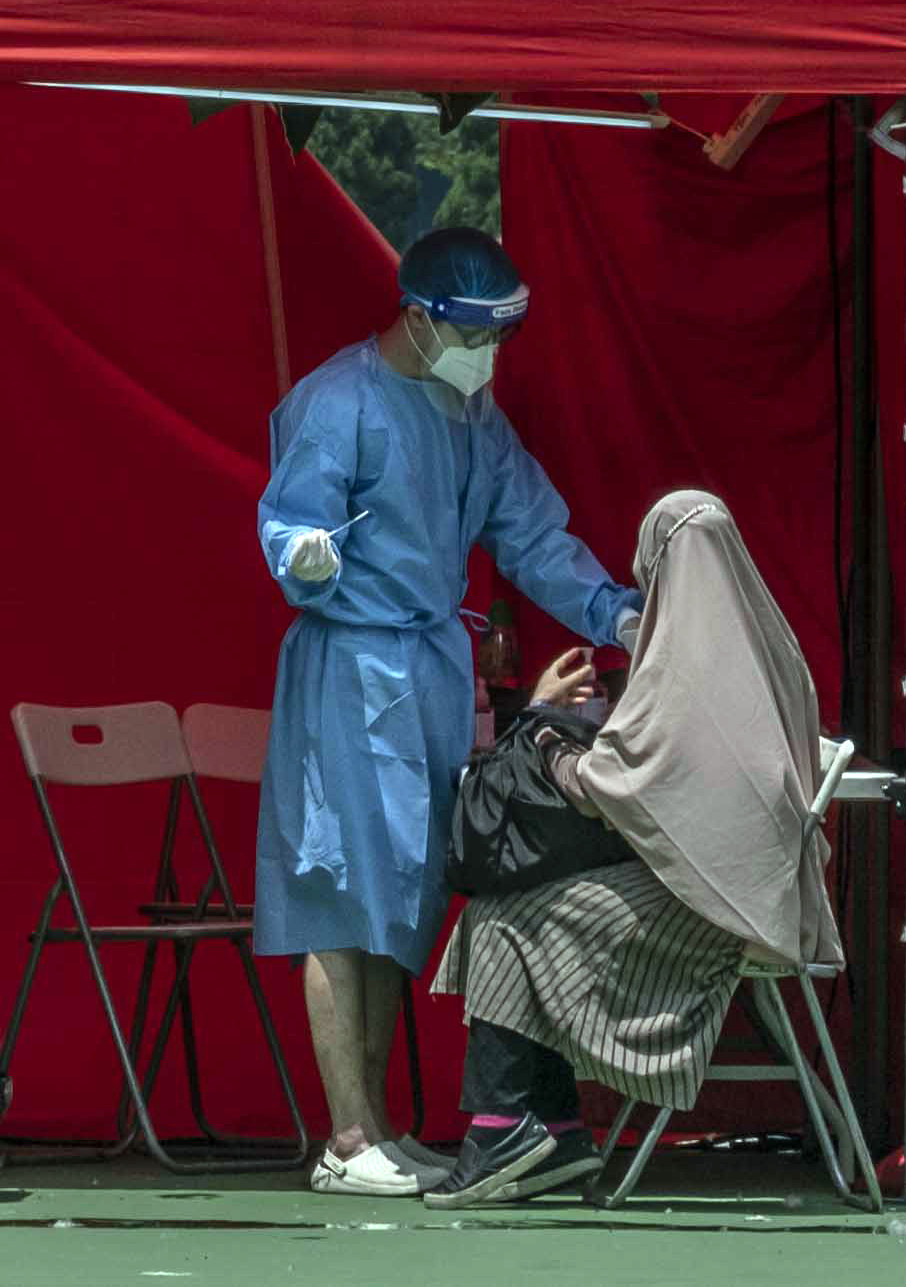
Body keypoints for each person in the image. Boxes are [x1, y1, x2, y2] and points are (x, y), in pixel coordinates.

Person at [254, 224, 637, 1197]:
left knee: (397, 907)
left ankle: (377, 1127)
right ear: (420, 319)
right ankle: (343, 1141)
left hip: (427, 666)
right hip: (349, 664)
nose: (491, 357)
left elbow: (531, 530)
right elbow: (291, 518)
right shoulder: (337, 401)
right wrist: (303, 551)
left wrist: (613, 610)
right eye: (478, 336)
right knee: (340, 898)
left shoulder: (469, 415)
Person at [429, 488, 838, 1207]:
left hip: (710, 910)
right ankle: (552, 1126)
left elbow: (608, 787)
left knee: (502, 913)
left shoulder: (683, 666)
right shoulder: (777, 653)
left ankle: (505, 1128)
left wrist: (545, 726)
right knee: (529, 901)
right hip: (765, 894)